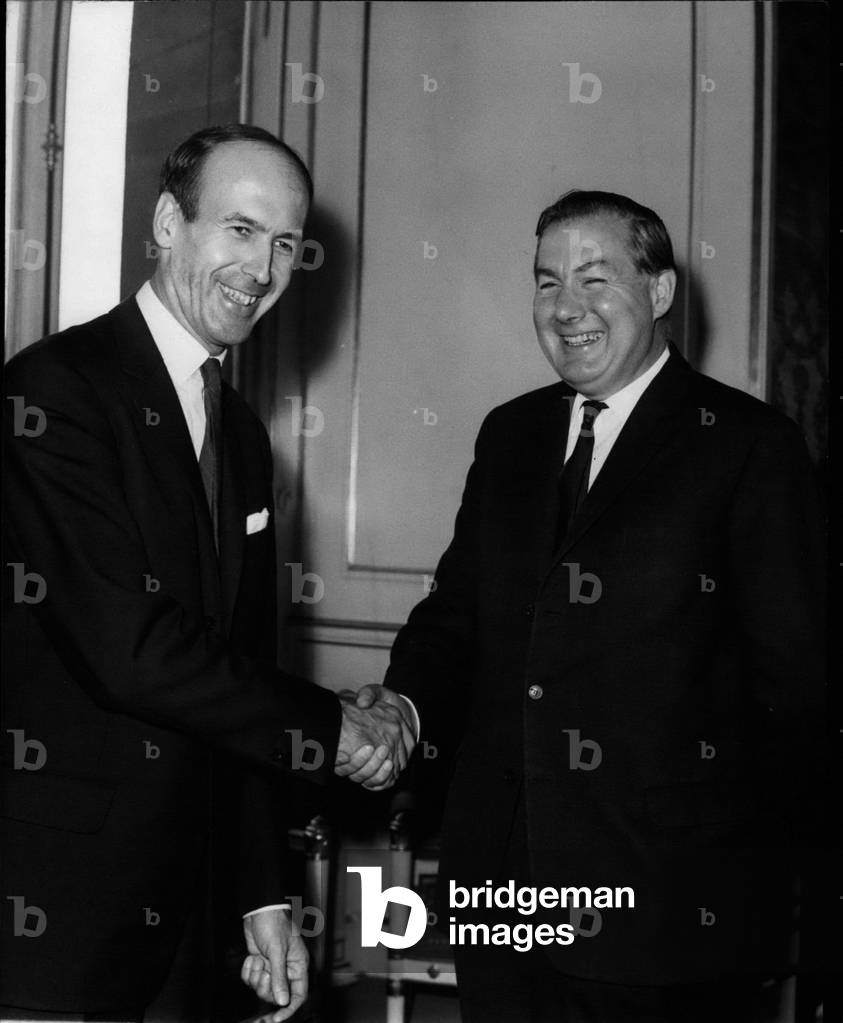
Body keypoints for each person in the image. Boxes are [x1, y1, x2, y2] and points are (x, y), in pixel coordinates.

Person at [360, 191, 825, 1021]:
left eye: (593, 278)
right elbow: (456, 615)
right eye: (545, 281)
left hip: (665, 909)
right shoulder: (508, 435)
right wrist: (400, 704)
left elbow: (793, 685)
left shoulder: (747, 446)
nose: (565, 306)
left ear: (658, 291)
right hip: (502, 891)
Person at [1, 124, 416, 1021]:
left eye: (282, 245)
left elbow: (239, 670)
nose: (262, 270)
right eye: (239, 230)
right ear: (165, 223)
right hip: (51, 915)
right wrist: (331, 726)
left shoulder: (240, 434)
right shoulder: (53, 394)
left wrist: (262, 895)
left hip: (189, 930)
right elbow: (130, 647)